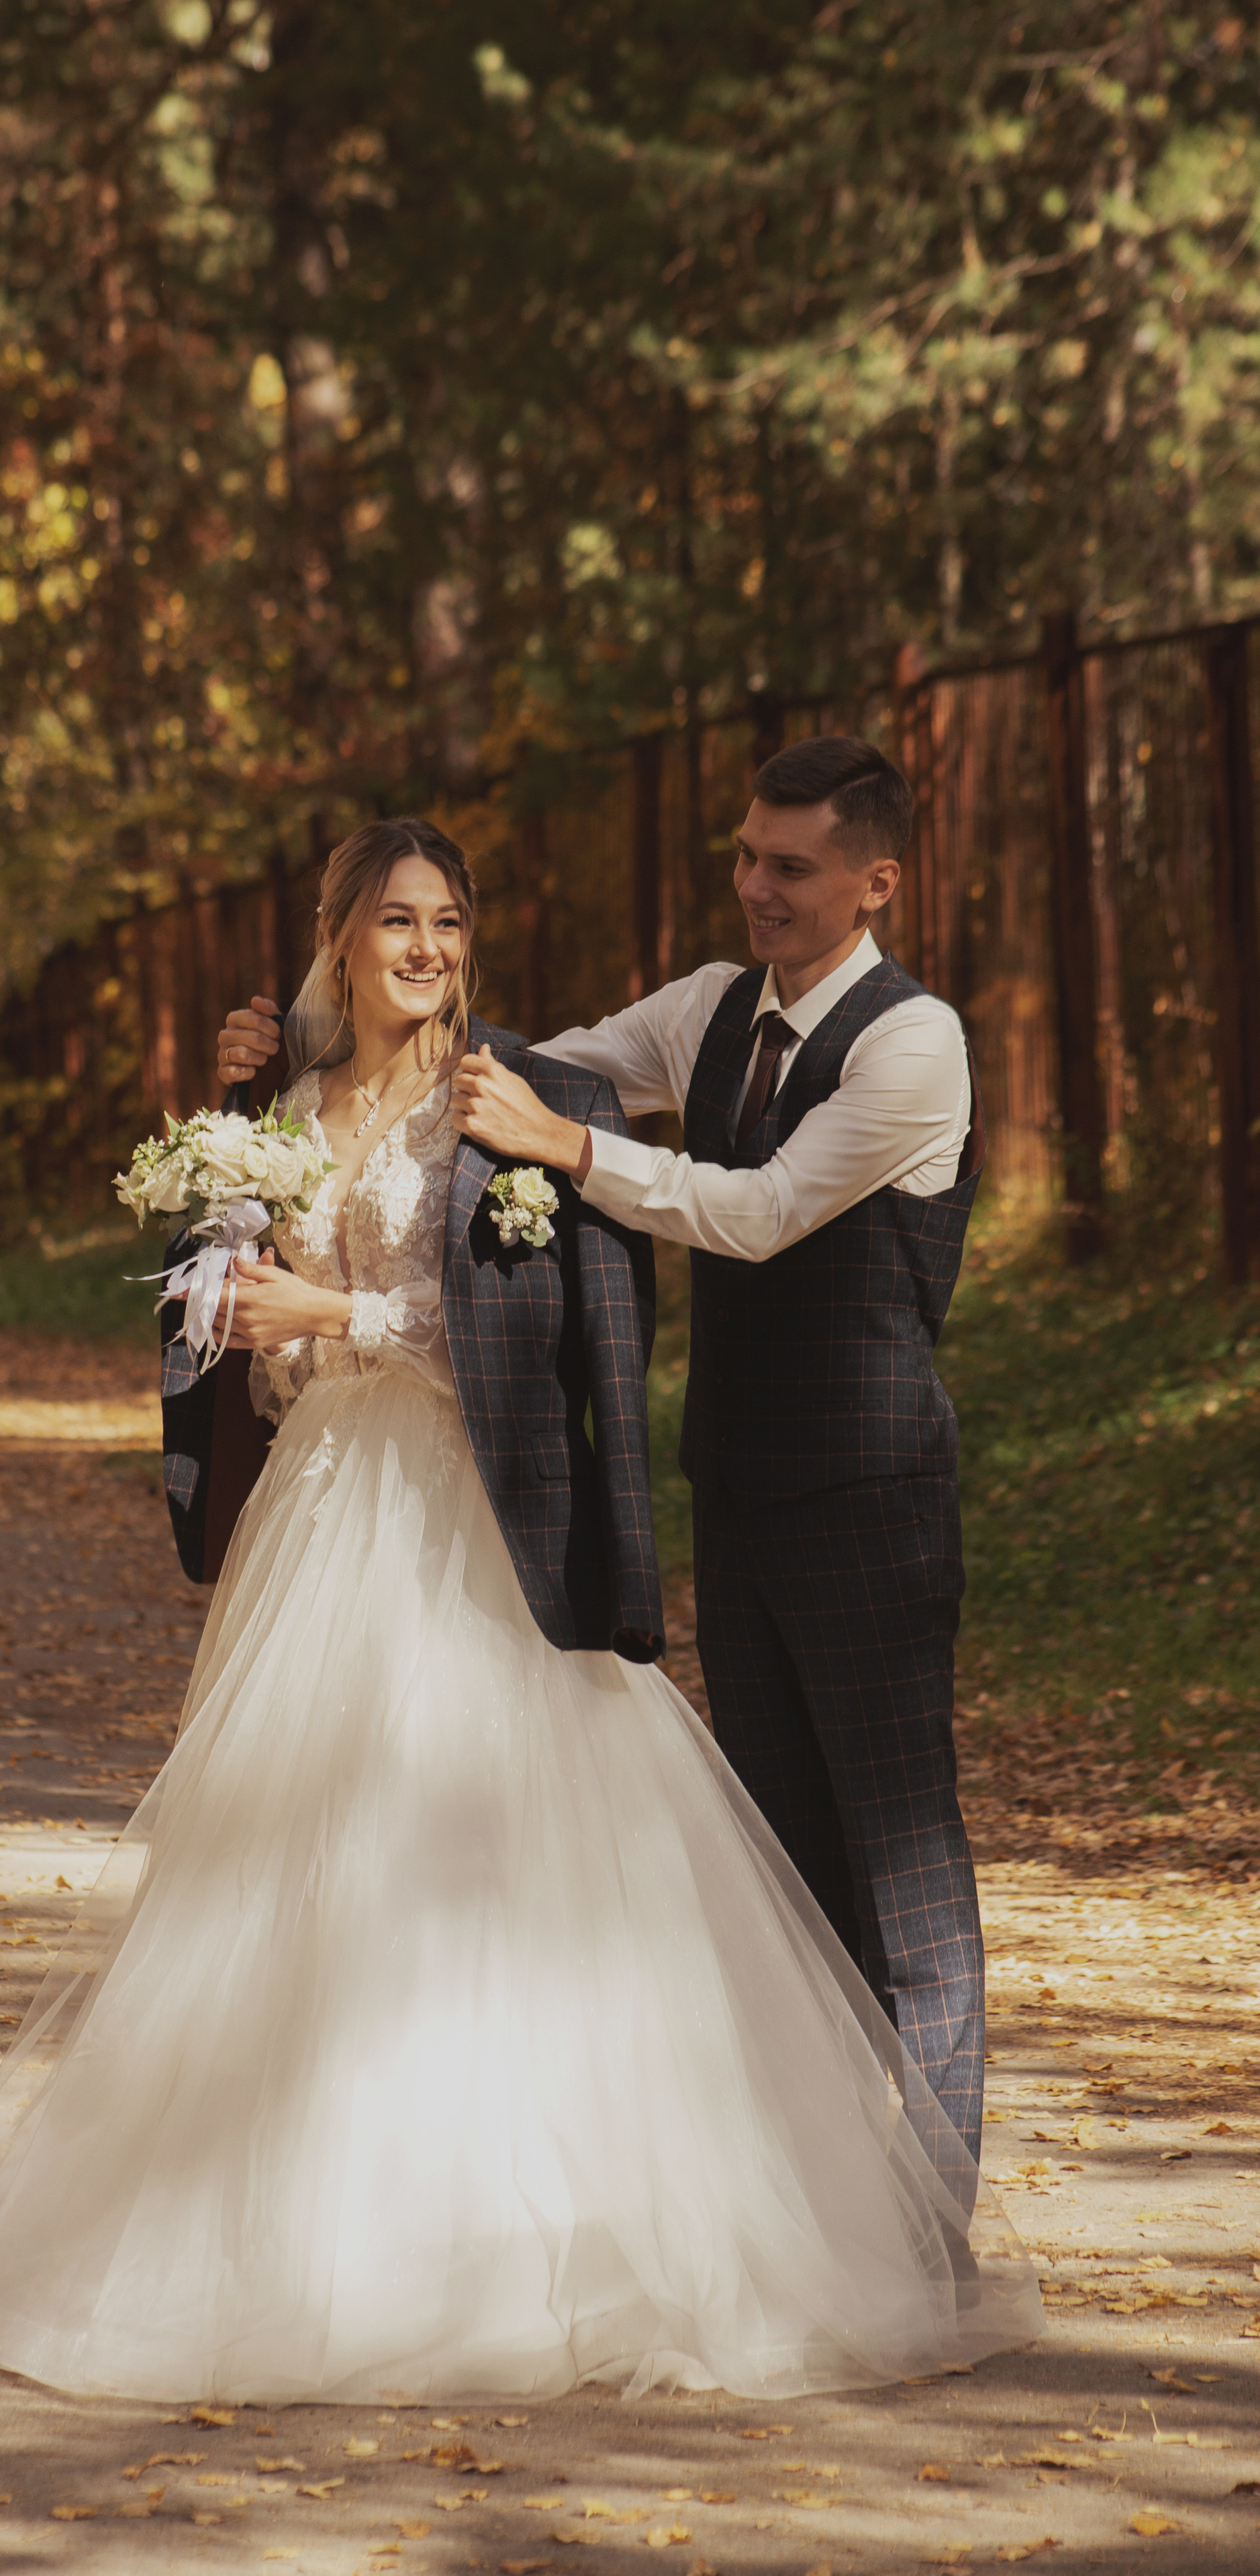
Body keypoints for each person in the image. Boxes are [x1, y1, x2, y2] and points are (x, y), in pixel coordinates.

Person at [0, 813, 1038, 2403]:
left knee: (521, 1862)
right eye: (394, 921)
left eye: (448, 922)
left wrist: (338, 1305)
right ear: (337, 932)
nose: (425, 947)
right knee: (294, 1860)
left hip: (481, 1526)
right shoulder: (279, 1110)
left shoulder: (510, 1104)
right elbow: (250, 1348)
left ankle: (627, 2229)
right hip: (324, 1516)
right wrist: (258, 1291)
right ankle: (279, 2221)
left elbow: (525, 1323)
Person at [215, 740, 992, 2169]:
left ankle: (931, 2212)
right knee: (788, 1879)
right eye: (745, 857)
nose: (753, 887)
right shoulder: (705, 1008)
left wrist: (571, 1160)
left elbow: (757, 1210)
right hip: (737, 1493)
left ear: (873, 881)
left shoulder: (910, 1043)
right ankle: (829, 2179)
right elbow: (535, 1065)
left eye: (789, 866)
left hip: (872, 1504)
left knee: (903, 1874)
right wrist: (299, 1056)